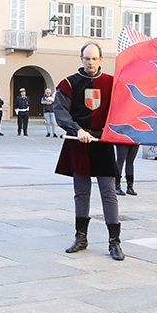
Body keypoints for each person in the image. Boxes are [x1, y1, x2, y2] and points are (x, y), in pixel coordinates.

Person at [55, 42, 123, 261]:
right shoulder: (69, 84)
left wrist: (112, 131)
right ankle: (81, 238)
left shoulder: (112, 84)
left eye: (94, 58)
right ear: (81, 59)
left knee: (108, 192)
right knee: (81, 192)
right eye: (87, 58)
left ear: (101, 59)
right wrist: (77, 129)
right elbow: (61, 111)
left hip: (102, 141)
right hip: (79, 141)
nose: (90, 62)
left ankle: (114, 241)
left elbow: (121, 109)